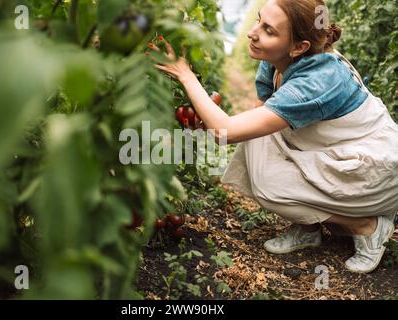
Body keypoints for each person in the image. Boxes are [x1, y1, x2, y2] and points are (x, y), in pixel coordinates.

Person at [149, 0, 398, 273]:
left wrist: (185, 74)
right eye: (258, 20)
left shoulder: (317, 80)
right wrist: (208, 119)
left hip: (375, 170)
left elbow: (226, 132)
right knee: (256, 147)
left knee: (270, 188)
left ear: (299, 47)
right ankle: (308, 228)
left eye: (268, 30)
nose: (252, 33)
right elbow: (257, 120)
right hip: (336, 151)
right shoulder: (276, 60)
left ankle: (366, 226)